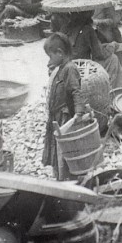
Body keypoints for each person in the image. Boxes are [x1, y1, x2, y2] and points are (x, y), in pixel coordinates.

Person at [43, 33, 83, 180]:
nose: (49, 60)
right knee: (57, 149)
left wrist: (78, 113)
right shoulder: (61, 68)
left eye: (50, 56)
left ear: (60, 53)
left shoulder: (70, 69)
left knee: (63, 150)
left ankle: (65, 177)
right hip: (56, 117)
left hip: (64, 118)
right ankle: (59, 174)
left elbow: (75, 91)